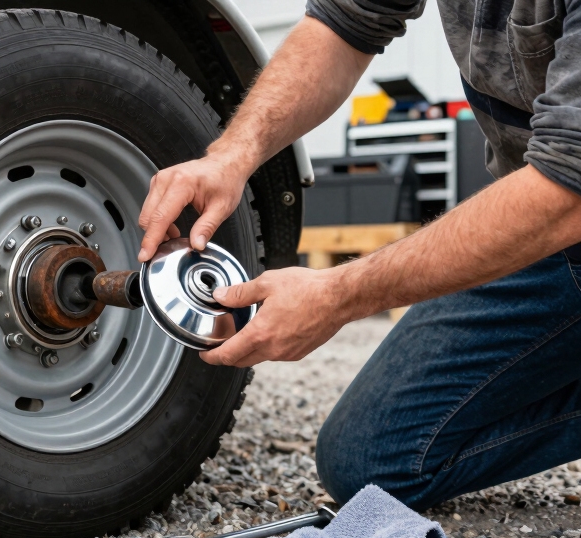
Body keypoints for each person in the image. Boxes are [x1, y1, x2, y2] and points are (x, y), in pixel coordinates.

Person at [137, 0, 581, 510]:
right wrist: (231, 155)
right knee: (371, 462)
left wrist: (337, 295)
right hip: (550, 240)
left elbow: (567, 185)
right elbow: (343, 24)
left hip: (564, 202)